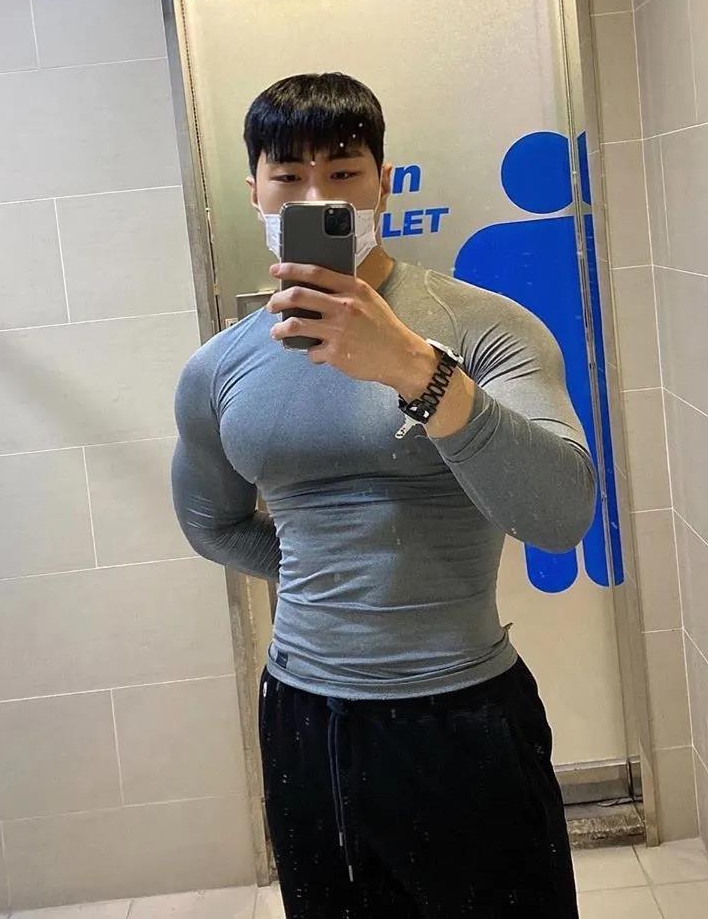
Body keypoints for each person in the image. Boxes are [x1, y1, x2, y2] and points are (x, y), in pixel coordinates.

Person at [171, 72, 597, 917]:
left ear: (384, 183)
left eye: (343, 172)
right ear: (254, 192)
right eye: (288, 176)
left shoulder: (484, 327)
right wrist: (330, 578)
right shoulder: (219, 367)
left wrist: (416, 372)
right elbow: (210, 522)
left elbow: (560, 516)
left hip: (464, 712)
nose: (317, 197)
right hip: (304, 718)